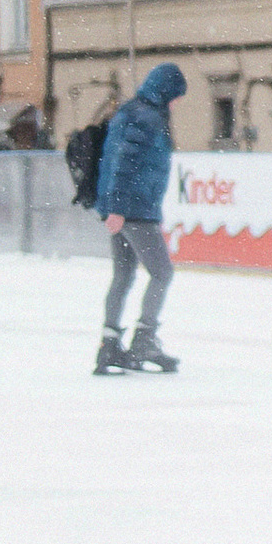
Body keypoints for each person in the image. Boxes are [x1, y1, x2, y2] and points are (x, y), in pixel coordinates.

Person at [93, 61, 187, 375]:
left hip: (126, 208)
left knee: (124, 274)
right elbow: (123, 162)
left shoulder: (133, 112)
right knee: (162, 273)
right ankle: (144, 339)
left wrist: (111, 207)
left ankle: (109, 345)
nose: (177, 103)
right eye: (176, 96)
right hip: (134, 209)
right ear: (166, 92)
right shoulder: (145, 118)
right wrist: (119, 208)